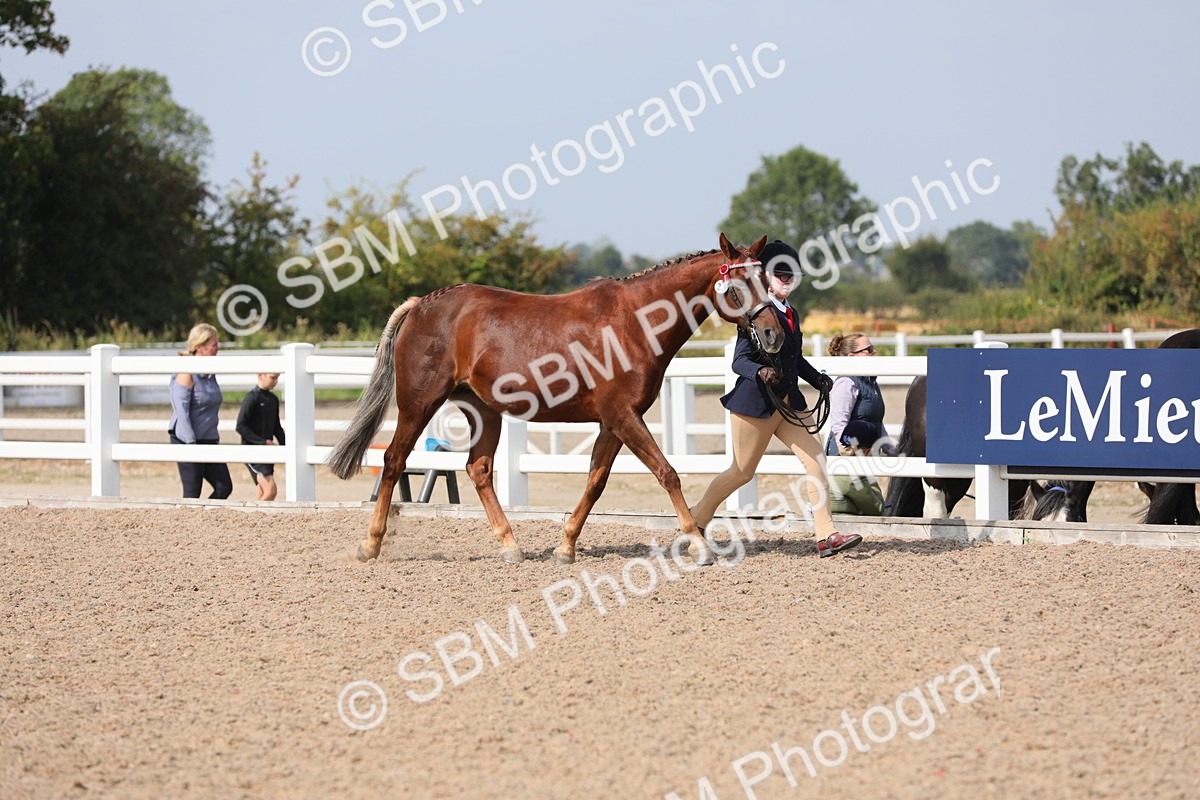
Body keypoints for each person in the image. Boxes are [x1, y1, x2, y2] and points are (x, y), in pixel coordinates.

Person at [689, 239, 863, 558]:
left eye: (791, 274)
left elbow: (794, 359)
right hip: (755, 404)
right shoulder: (756, 313)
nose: (786, 279)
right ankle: (696, 519)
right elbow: (739, 361)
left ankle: (826, 534)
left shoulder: (792, 313)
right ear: (765, 276)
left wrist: (817, 379)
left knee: (816, 460)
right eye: (780, 274)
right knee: (742, 472)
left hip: (789, 404)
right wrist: (759, 372)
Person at [825, 333, 889, 516]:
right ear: (852, 357)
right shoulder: (846, 382)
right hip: (847, 459)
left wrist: (890, 448)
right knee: (874, 508)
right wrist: (845, 453)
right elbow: (839, 424)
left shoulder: (870, 382)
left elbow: (876, 420)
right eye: (868, 350)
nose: (873, 352)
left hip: (864, 456)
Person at [169, 324, 233, 499]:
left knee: (224, 486)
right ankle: (185, 524)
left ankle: (204, 520)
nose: (218, 349)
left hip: (209, 439)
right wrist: (190, 444)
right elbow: (181, 412)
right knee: (192, 493)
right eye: (214, 345)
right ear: (200, 347)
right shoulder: (186, 373)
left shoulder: (210, 374)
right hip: (187, 440)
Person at [236, 372, 285, 501]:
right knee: (271, 490)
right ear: (260, 375)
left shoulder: (273, 399)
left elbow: (276, 426)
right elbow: (240, 426)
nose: (276, 381)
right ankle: (252, 516)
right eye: (273, 378)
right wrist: (262, 442)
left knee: (261, 489)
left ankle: (257, 517)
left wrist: (286, 445)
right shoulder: (252, 398)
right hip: (253, 452)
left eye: (277, 378)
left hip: (267, 453)